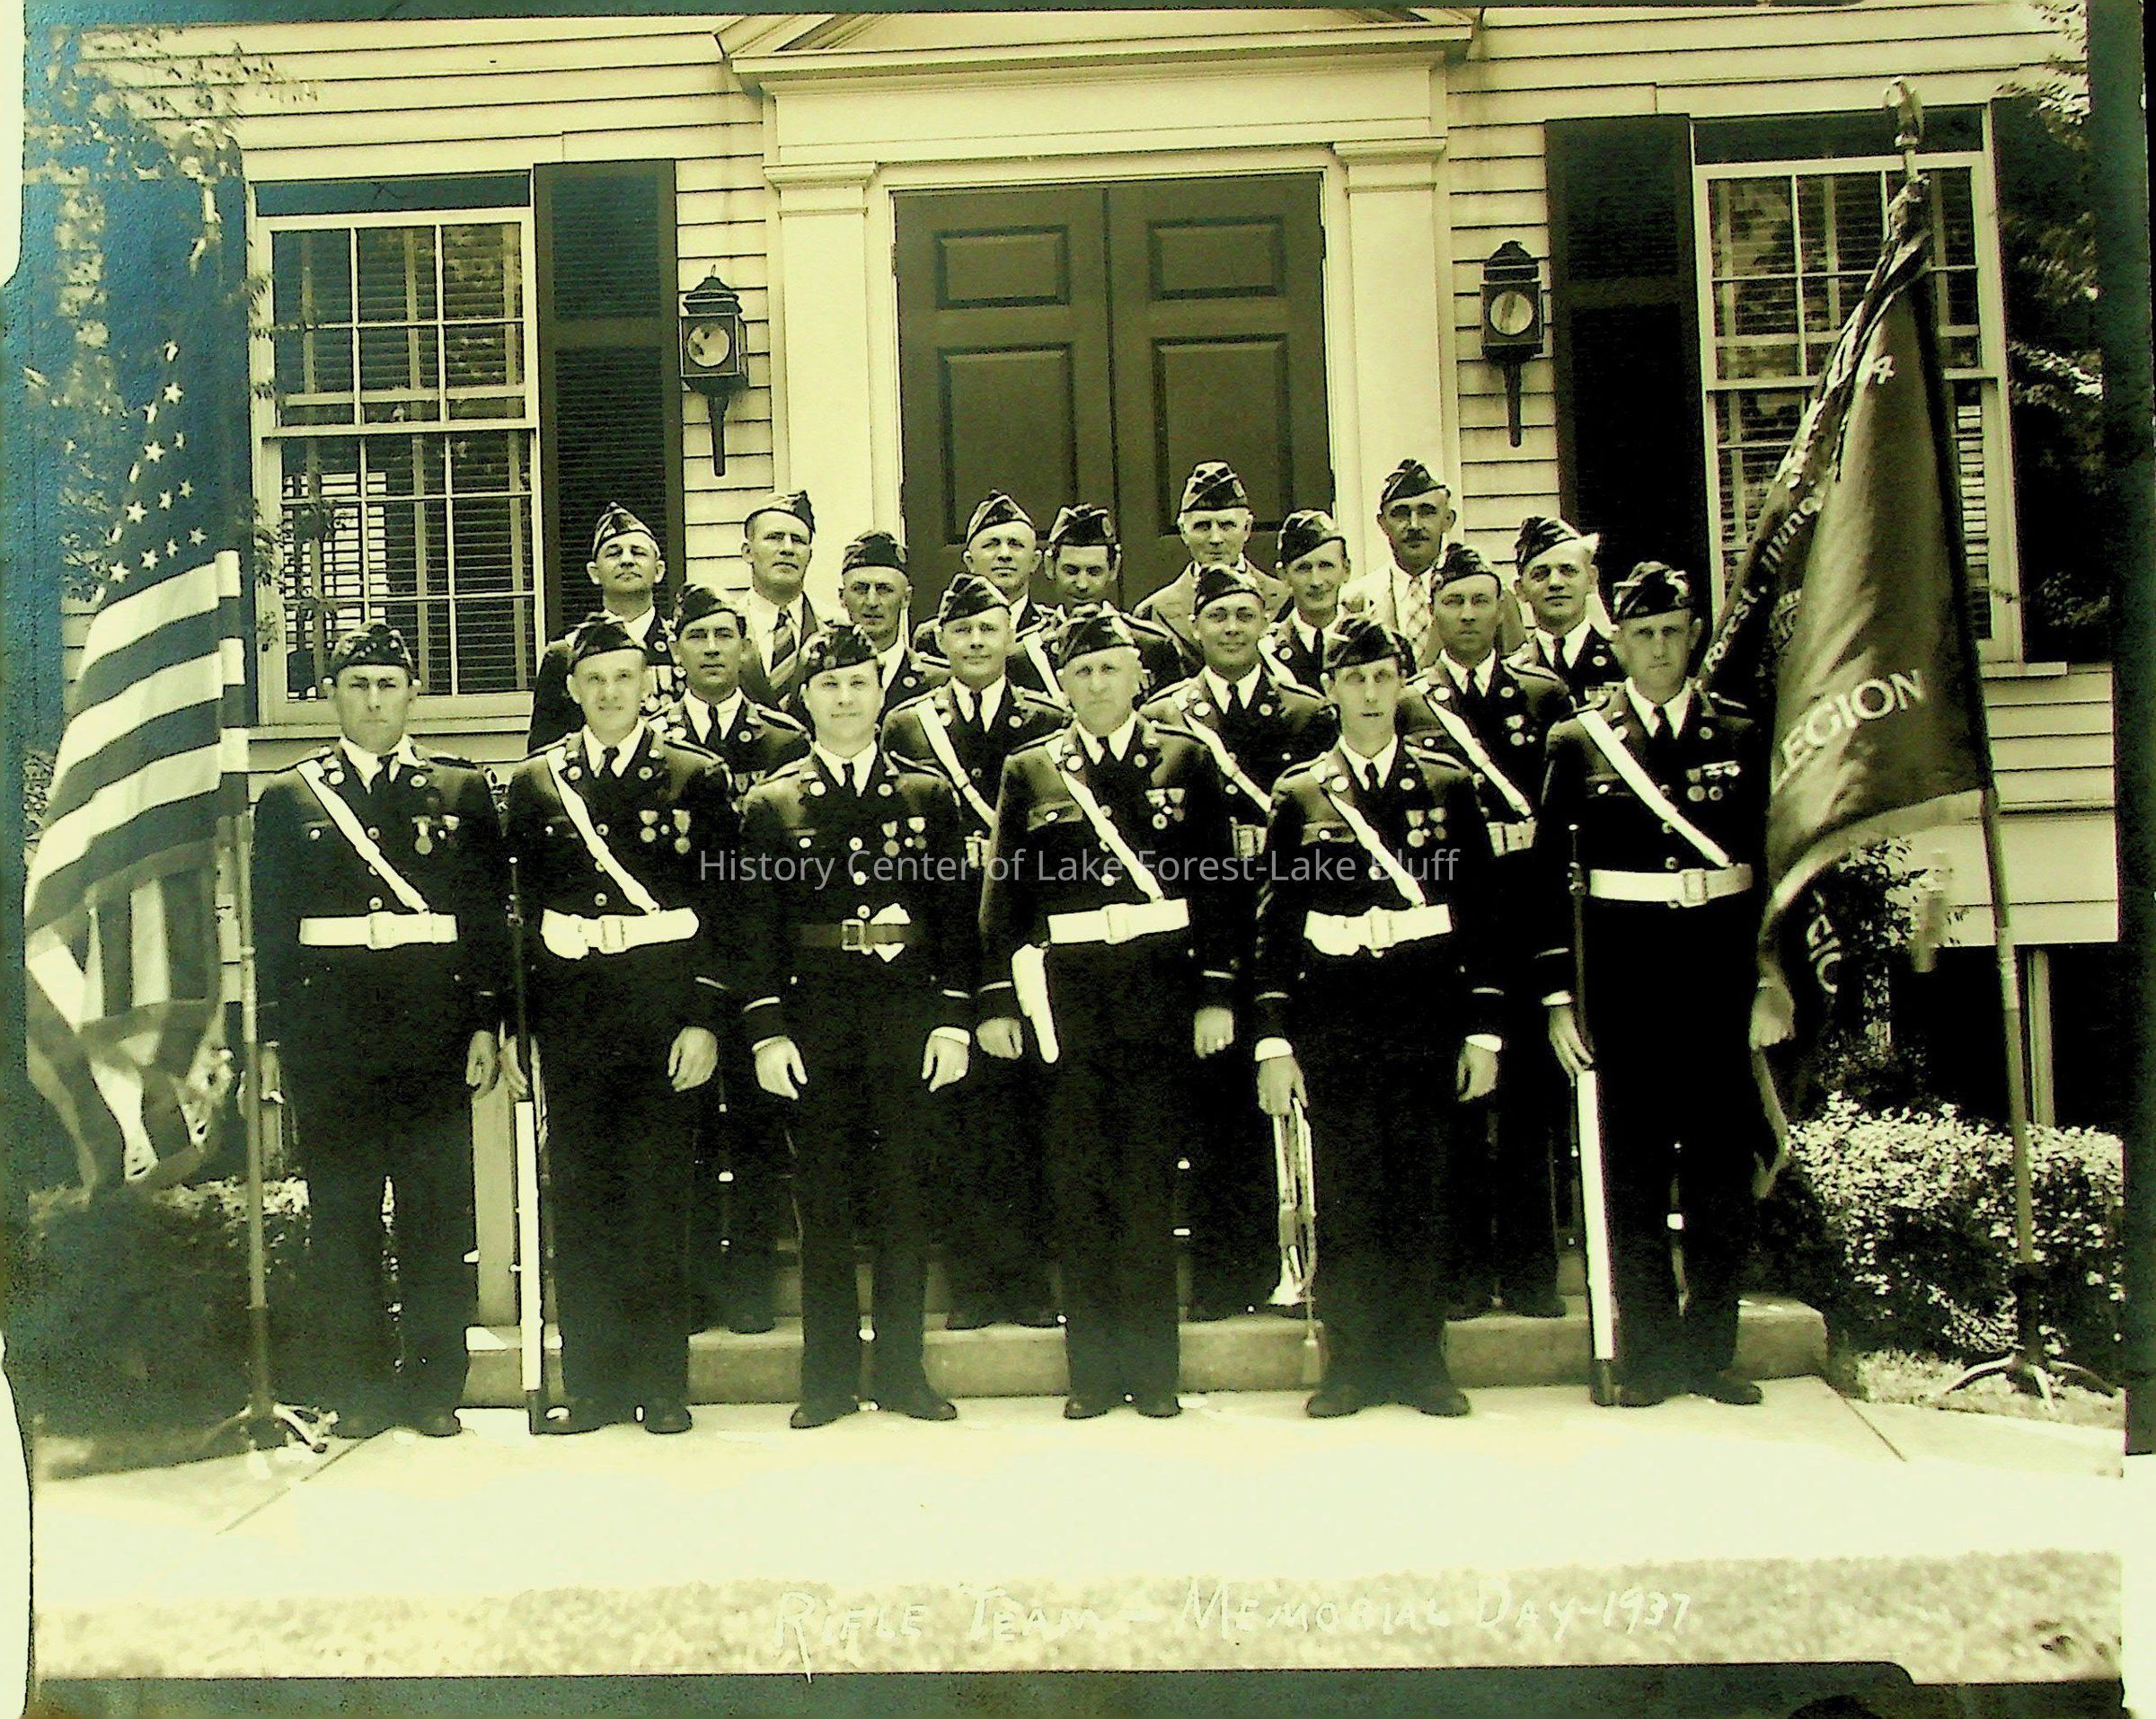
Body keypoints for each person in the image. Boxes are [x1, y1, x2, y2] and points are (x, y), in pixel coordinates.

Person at [977, 609, 1240, 1421]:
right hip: (1069, 1002)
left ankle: (1153, 1372)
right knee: (1079, 1182)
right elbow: (1006, 891)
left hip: (1159, 994)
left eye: (1111, 668)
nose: (1097, 683)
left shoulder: (1186, 759)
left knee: (1147, 1185)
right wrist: (997, 999)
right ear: (1063, 682)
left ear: (1139, 676)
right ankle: (1092, 1373)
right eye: (1082, 671)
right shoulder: (1032, 769)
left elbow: (1220, 888)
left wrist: (1216, 993)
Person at [252, 621, 509, 1440]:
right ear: (333, 695)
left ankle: (435, 1387)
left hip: (433, 1033)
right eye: (357, 685)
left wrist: (486, 1021)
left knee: (437, 1213)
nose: (373, 700)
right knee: (344, 1217)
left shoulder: (461, 791)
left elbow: (484, 919)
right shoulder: (290, 796)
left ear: (411, 694)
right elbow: (271, 927)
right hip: (331, 1037)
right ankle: (358, 1388)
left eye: (388, 684)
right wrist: (272, 1037)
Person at [1252, 615, 1506, 1418]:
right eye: (1354, 678)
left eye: (1383, 676)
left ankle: (1422, 1361)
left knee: (1424, 1190)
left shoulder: (1447, 785)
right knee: (1351, 1192)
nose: (1369, 692)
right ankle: (1352, 1365)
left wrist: (1484, 1029)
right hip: (1335, 1018)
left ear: (1402, 684)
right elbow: (1275, 921)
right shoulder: (1301, 793)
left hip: (1424, 1014)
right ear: (1330, 689)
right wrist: (1273, 1035)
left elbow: (1481, 912)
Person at [1536, 561, 1773, 1409]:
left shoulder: (1740, 732)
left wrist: (1772, 979)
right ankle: (1646, 1353)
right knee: (1629, 1171)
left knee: (1718, 1172)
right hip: (1625, 981)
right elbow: (1547, 879)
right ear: (1619, 643)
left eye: (1673, 631)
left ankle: (1711, 1350)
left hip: (1717, 978)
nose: (1661, 648)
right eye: (1644, 634)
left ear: (1695, 635)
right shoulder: (1579, 741)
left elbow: (1771, 862)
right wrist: (1558, 999)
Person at [730, 624, 976, 1431]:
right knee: (825, 1208)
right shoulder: (771, 805)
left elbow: (955, 920)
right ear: (805, 698)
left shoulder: (926, 796)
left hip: (906, 1018)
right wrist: (767, 1032)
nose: (845, 698)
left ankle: (903, 1373)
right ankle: (829, 1378)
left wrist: (954, 1021)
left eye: (859, 683)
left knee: (906, 1200)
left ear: (882, 692)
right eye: (829, 685)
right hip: (816, 1023)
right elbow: (754, 929)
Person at [502, 617, 738, 1434]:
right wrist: (519, 1026)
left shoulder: (697, 777)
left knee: (659, 1199)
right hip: (573, 1016)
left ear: (649, 684)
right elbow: (521, 913)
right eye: (594, 678)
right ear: (572, 689)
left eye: (624, 676)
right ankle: (594, 1386)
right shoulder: (536, 782)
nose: (609, 692)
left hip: (663, 1014)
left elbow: (725, 906)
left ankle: (662, 1384)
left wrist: (705, 1018)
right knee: (582, 1199)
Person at [1141, 564, 1331, 1321]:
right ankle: (1223, 1280)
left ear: (1265, 624)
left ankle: (1298, 1269)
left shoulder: (1306, 712)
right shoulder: (1166, 716)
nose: (1230, 628)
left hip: (1288, 928)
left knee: (1291, 1099)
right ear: (1196, 626)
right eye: (1216, 616)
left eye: (1244, 615)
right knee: (1213, 1105)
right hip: (1204, 932)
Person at [882, 574, 1065, 1332]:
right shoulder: (908, 726)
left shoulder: (1048, 720)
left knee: (1033, 1117)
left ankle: (1030, 1282)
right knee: (956, 1121)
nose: (978, 641)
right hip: (949, 937)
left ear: (1011, 635)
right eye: (962, 631)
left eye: (990, 627)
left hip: (1030, 939)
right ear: (940, 641)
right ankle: (973, 1283)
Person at [1403, 543, 1573, 1321]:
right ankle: (1463, 1272)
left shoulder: (1543, 696)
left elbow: (1564, 819)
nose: (1468, 615)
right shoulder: (1412, 704)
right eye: (1453, 601)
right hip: (1450, 921)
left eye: (1481, 600)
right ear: (1432, 613)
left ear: (1503, 607)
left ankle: (1533, 1271)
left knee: (1532, 1096)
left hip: (1527, 910)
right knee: (1456, 1100)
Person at [662, 583, 811, 1334]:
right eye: (699, 637)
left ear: (746, 647)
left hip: (758, 960)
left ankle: (752, 1283)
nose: (714, 648)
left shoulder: (784, 741)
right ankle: (692, 1288)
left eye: (726, 635)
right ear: (675, 650)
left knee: (758, 1127)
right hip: (682, 967)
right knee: (684, 1129)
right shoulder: (654, 743)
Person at [526, 503, 682, 751]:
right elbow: (544, 751)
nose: (627, 560)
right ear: (594, 573)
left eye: (638, 553)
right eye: (614, 553)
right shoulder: (565, 653)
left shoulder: (682, 647)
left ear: (659, 571)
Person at [1132, 461, 1291, 662]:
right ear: (1183, 532)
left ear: (1247, 528)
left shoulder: (1284, 600)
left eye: (1226, 525)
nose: (1215, 539)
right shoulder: (1153, 612)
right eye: (1202, 526)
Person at [1038, 504, 1190, 692]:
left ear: (1114, 568)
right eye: (1071, 571)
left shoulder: (1151, 647)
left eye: (1094, 572)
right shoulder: (1030, 651)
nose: (1082, 584)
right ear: (1050, 566)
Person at [912, 492, 1057, 680]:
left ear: (1035, 561)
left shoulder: (1052, 632)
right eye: (991, 545)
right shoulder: (933, 637)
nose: (1004, 554)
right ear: (969, 561)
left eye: (1016, 545)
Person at [1339, 458, 1455, 672]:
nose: (1414, 525)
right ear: (1382, 523)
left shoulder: (1483, 596)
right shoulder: (1354, 602)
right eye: (1401, 513)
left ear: (1448, 520)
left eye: (1426, 512)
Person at [827, 529, 946, 716]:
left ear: (906, 598)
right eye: (860, 589)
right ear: (842, 597)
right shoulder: (822, 681)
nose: (872, 602)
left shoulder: (937, 682)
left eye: (884, 590)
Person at [1508, 514, 1621, 700]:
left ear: (1591, 579)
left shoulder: (1624, 663)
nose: (1555, 583)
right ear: (1520, 590)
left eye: (1568, 571)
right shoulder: (1511, 674)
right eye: (1540, 574)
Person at [737, 491, 823, 709]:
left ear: (810, 556)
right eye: (774, 537)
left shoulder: (834, 628)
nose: (787, 549)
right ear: (747, 552)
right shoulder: (725, 629)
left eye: (798, 541)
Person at [1263, 508, 1352, 692]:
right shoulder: (1266, 650)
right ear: (1283, 575)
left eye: (1326, 566)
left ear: (1346, 570)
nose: (1316, 581)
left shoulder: (1371, 642)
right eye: (1303, 568)